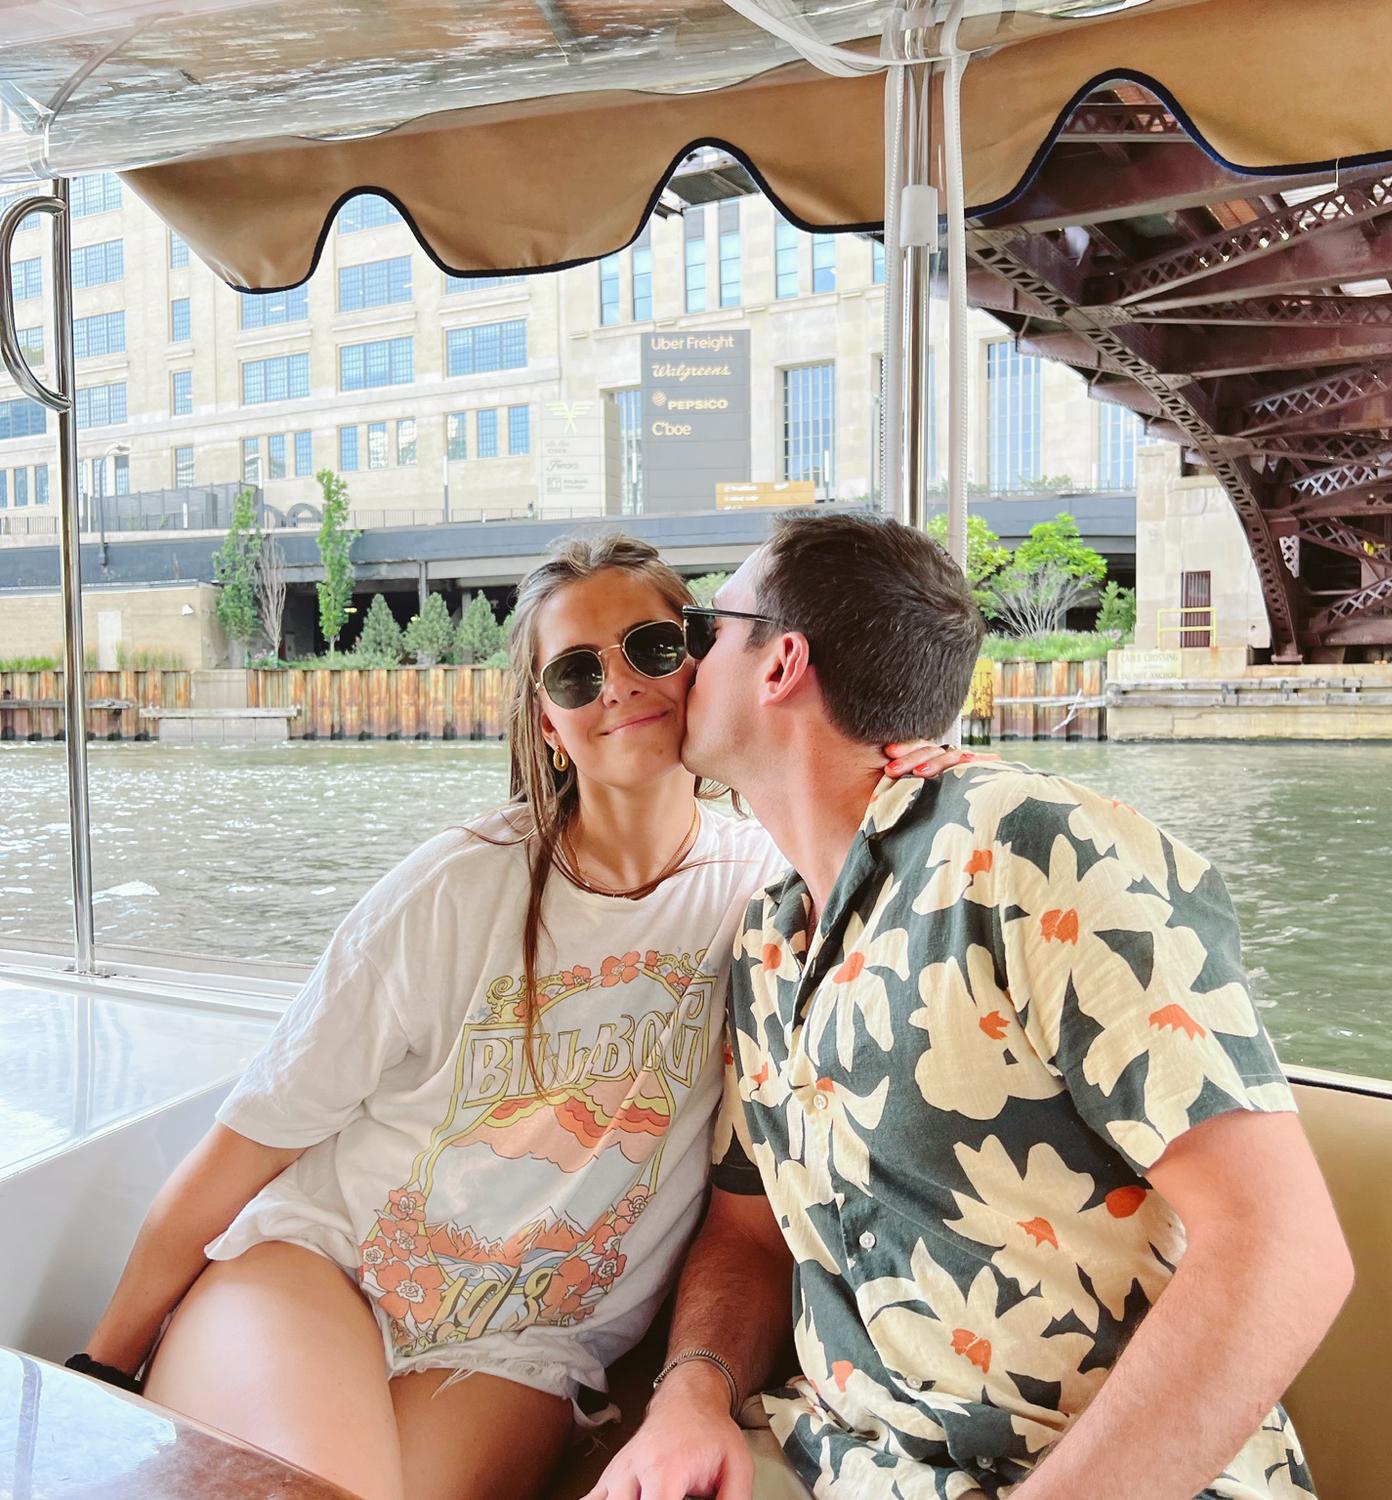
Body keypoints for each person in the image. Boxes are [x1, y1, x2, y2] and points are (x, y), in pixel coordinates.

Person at [73, 532, 966, 1500]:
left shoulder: (765, 894)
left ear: (701, 660)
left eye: (651, 648)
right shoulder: (453, 894)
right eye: (576, 673)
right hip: (322, 1270)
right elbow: (240, 1153)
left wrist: (917, 770)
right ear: (548, 723)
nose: (618, 684)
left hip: (525, 1349)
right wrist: (94, 1377)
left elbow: (882, 833)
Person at [589, 510, 1355, 1500]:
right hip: (837, 1462)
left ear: (780, 663)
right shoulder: (770, 940)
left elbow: (1286, 1251)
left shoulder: (1032, 853)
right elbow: (748, 1235)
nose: (680, 668)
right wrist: (689, 1396)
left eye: (704, 633)